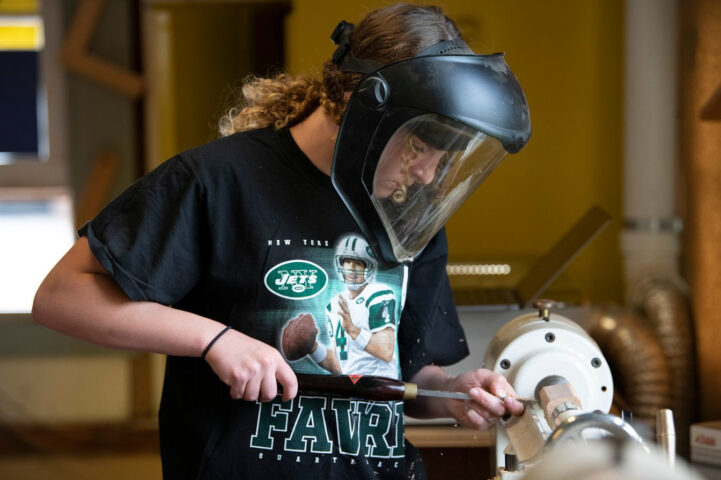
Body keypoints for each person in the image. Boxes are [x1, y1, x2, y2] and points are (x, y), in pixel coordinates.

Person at [32, 4, 529, 479]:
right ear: (363, 110)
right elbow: (61, 296)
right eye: (419, 145)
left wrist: (456, 393)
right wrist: (214, 341)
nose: (426, 174)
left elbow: (411, 376)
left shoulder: (409, 210)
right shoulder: (218, 181)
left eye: (443, 157)